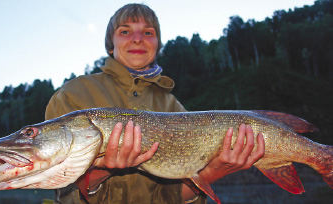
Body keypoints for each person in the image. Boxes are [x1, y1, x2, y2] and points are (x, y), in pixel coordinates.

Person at [45, 3, 265, 204]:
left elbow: (169, 199)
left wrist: (210, 173)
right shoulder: (72, 95)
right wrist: (102, 171)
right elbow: (65, 195)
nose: (138, 38)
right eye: (125, 31)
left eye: (148, 32)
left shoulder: (173, 107)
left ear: (157, 45)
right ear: (110, 45)